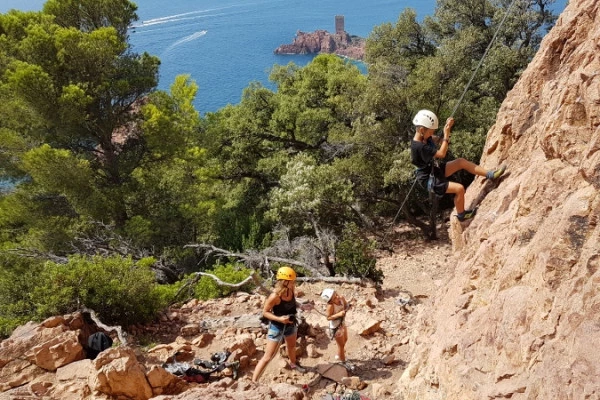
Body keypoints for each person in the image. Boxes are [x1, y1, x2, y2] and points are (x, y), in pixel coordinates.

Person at [410, 109, 506, 221]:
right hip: (429, 179)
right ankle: (462, 215)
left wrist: (442, 136)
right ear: (422, 130)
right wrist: (446, 134)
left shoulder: (424, 137)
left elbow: (434, 138)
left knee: (461, 162)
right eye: (430, 132)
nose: (432, 134)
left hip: (433, 170)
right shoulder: (418, 147)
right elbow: (441, 154)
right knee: (459, 189)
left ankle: (490, 174)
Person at [252, 266, 312, 382]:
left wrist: (302, 306)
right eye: (292, 281)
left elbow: (293, 303)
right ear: (284, 282)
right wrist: (279, 319)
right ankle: (254, 382)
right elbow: (265, 312)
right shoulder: (275, 296)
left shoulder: (291, 289)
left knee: (291, 347)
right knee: (268, 357)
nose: (294, 283)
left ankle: (293, 364)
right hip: (277, 327)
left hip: (290, 324)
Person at [321, 288, 351, 369]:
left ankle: (339, 354)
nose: (337, 297)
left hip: (342, 324)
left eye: (336, 294)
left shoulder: (341, 299)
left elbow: (345, 306)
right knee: (341, 345)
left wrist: (347, 307)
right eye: (335, 297)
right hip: (336, 327)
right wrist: (338, 314)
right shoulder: (330, 306)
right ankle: (343, 361)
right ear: (330, 301)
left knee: (345, 340)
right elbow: (328, 318)